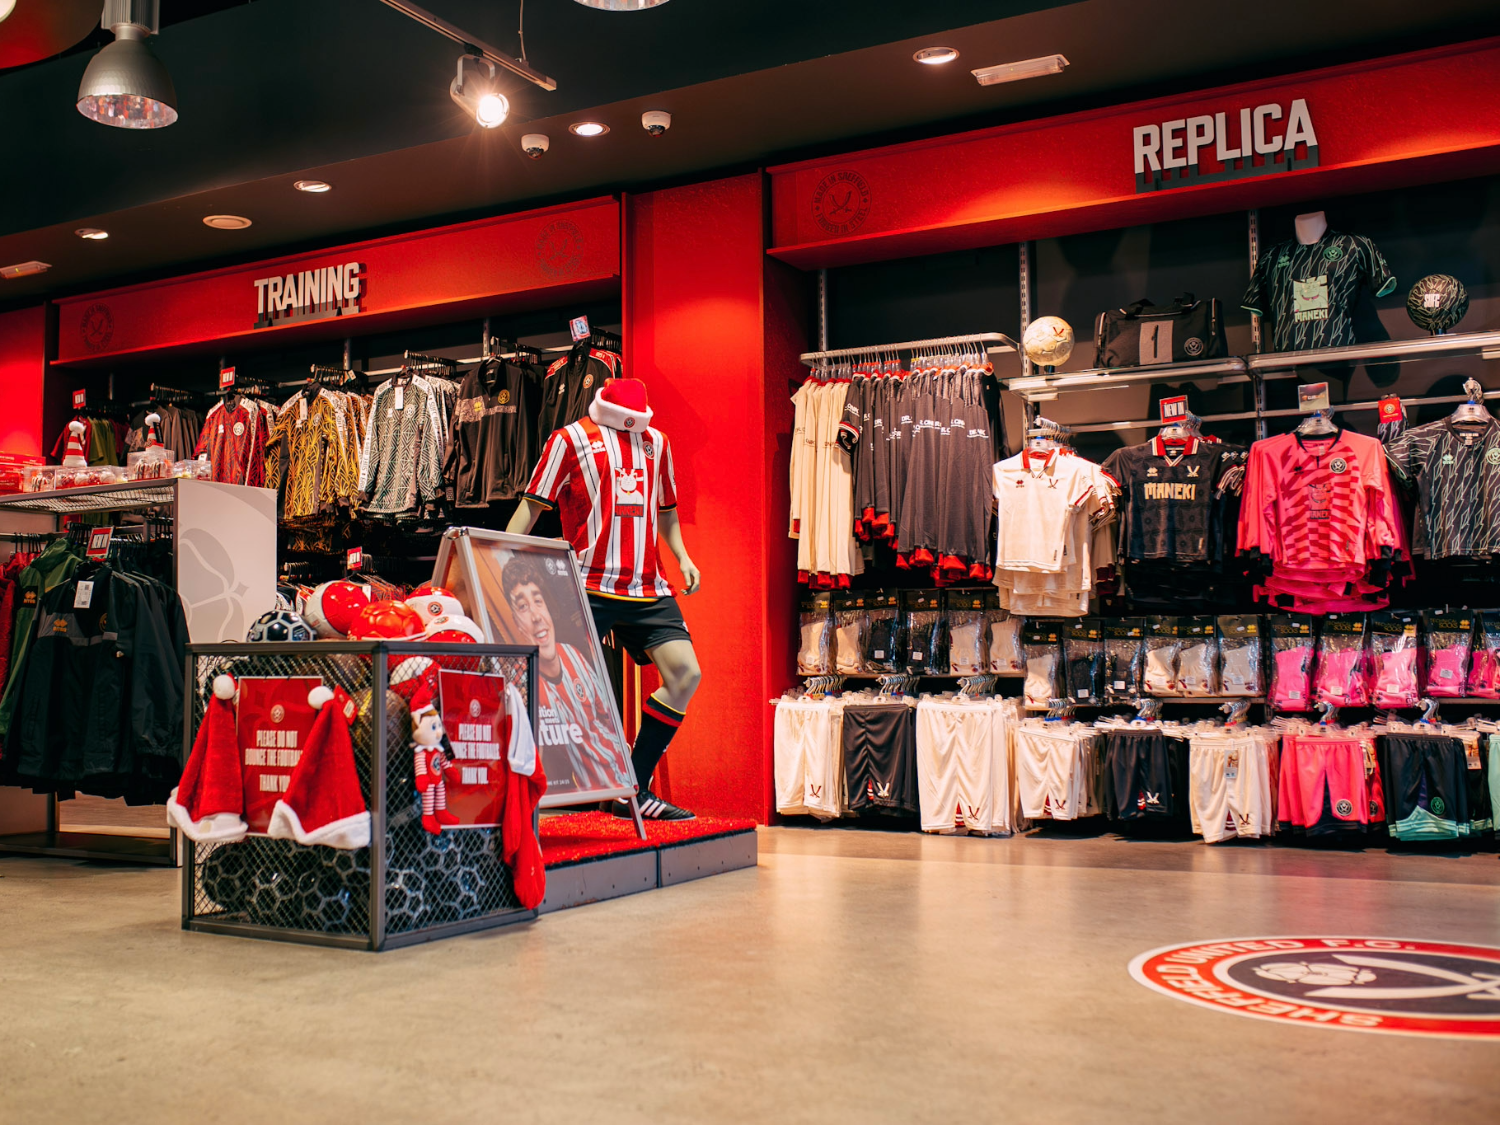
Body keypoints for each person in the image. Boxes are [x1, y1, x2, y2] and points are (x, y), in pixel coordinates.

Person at [508, 377, 702, 820]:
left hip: (646, 584)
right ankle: (531, 796)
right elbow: (532, 505)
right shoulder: (569, 439)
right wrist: (493, 552)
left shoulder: (658, 441)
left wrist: (683, 557)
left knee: (685, 674)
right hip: (584, 585)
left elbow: (666, 511)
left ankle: (631, 788)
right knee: (557, 689)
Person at [500, 553, 631, 793]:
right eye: (523, 607)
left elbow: (606, 719)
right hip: (587, 799)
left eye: (538, 602)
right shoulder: (522, 678)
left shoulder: (574, 655)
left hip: (623, 784)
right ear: (516, 622)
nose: (537, 616)